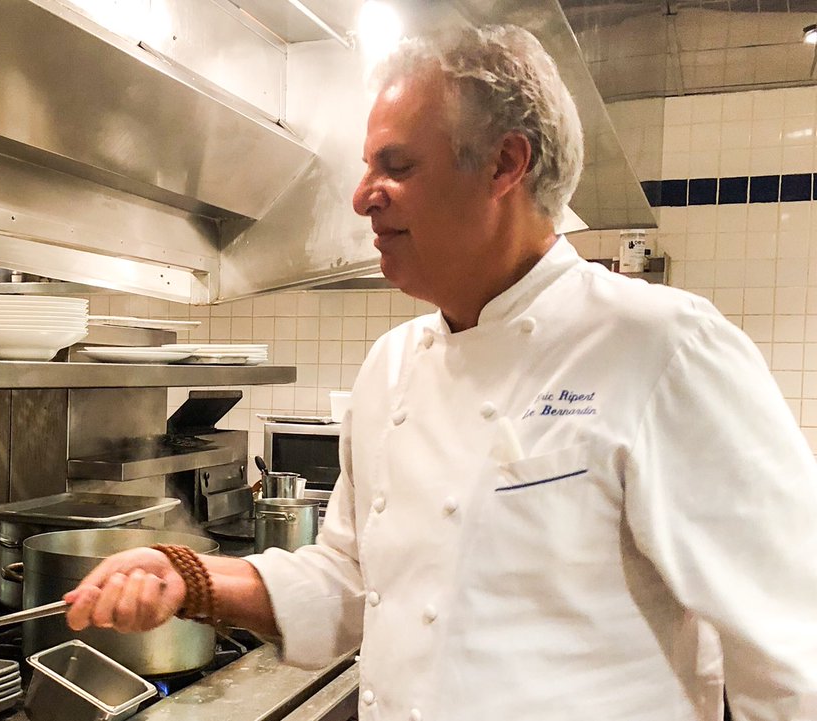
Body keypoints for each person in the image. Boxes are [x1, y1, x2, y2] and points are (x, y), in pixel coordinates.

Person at [62, 25, 817, 721]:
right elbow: (360, 584)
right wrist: (191, 580)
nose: (362, 196)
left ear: (505, 164)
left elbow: (791, 655)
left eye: (398, 166)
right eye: (367, 168)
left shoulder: (664, 348)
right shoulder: (391, 367)